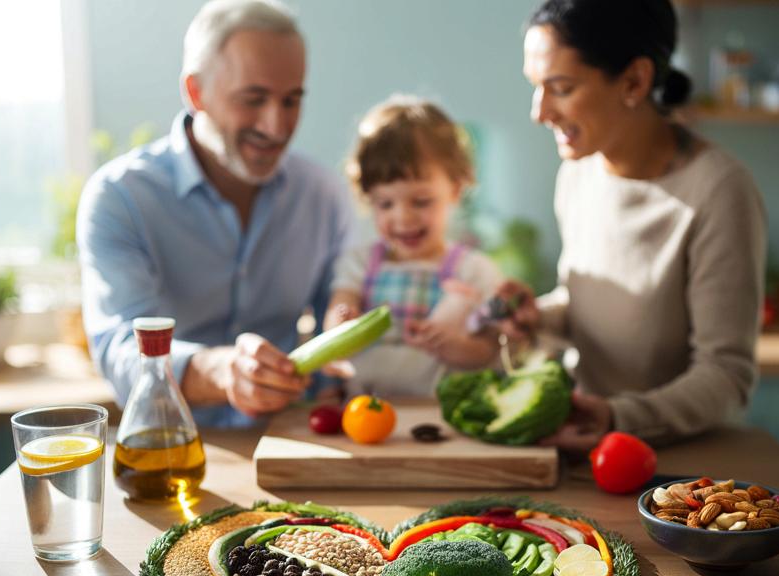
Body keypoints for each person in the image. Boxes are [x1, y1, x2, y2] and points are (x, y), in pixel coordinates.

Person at [505, 0, 768, 450]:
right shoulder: (578, 173)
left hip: (678, 464)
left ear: (635, 81)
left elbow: (726, 375)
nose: (540, 112)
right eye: (536, 87)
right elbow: (589, 305)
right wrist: (536, 318)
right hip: (585, 446)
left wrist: (619, 417)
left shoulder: (719, 190)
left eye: (561, 88)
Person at [78, 0, 354, 427]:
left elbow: (339, 325)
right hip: (171, 447)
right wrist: (224, 373)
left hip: (290, 440)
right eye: (253, 99)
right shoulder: (120, 198)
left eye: (291, 100)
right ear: (196, 92)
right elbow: (122, 351)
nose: (276, 126)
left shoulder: (323, 194)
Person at [324, 95, 503, 397]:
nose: (403, 218)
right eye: (385, 204)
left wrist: (456, 347)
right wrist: (340, 320)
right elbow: (338, 311)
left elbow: (488, 351)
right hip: (364, 410)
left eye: (421, 201)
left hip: (440, 412)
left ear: (456, 189)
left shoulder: (473, 271)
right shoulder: (360, 263)